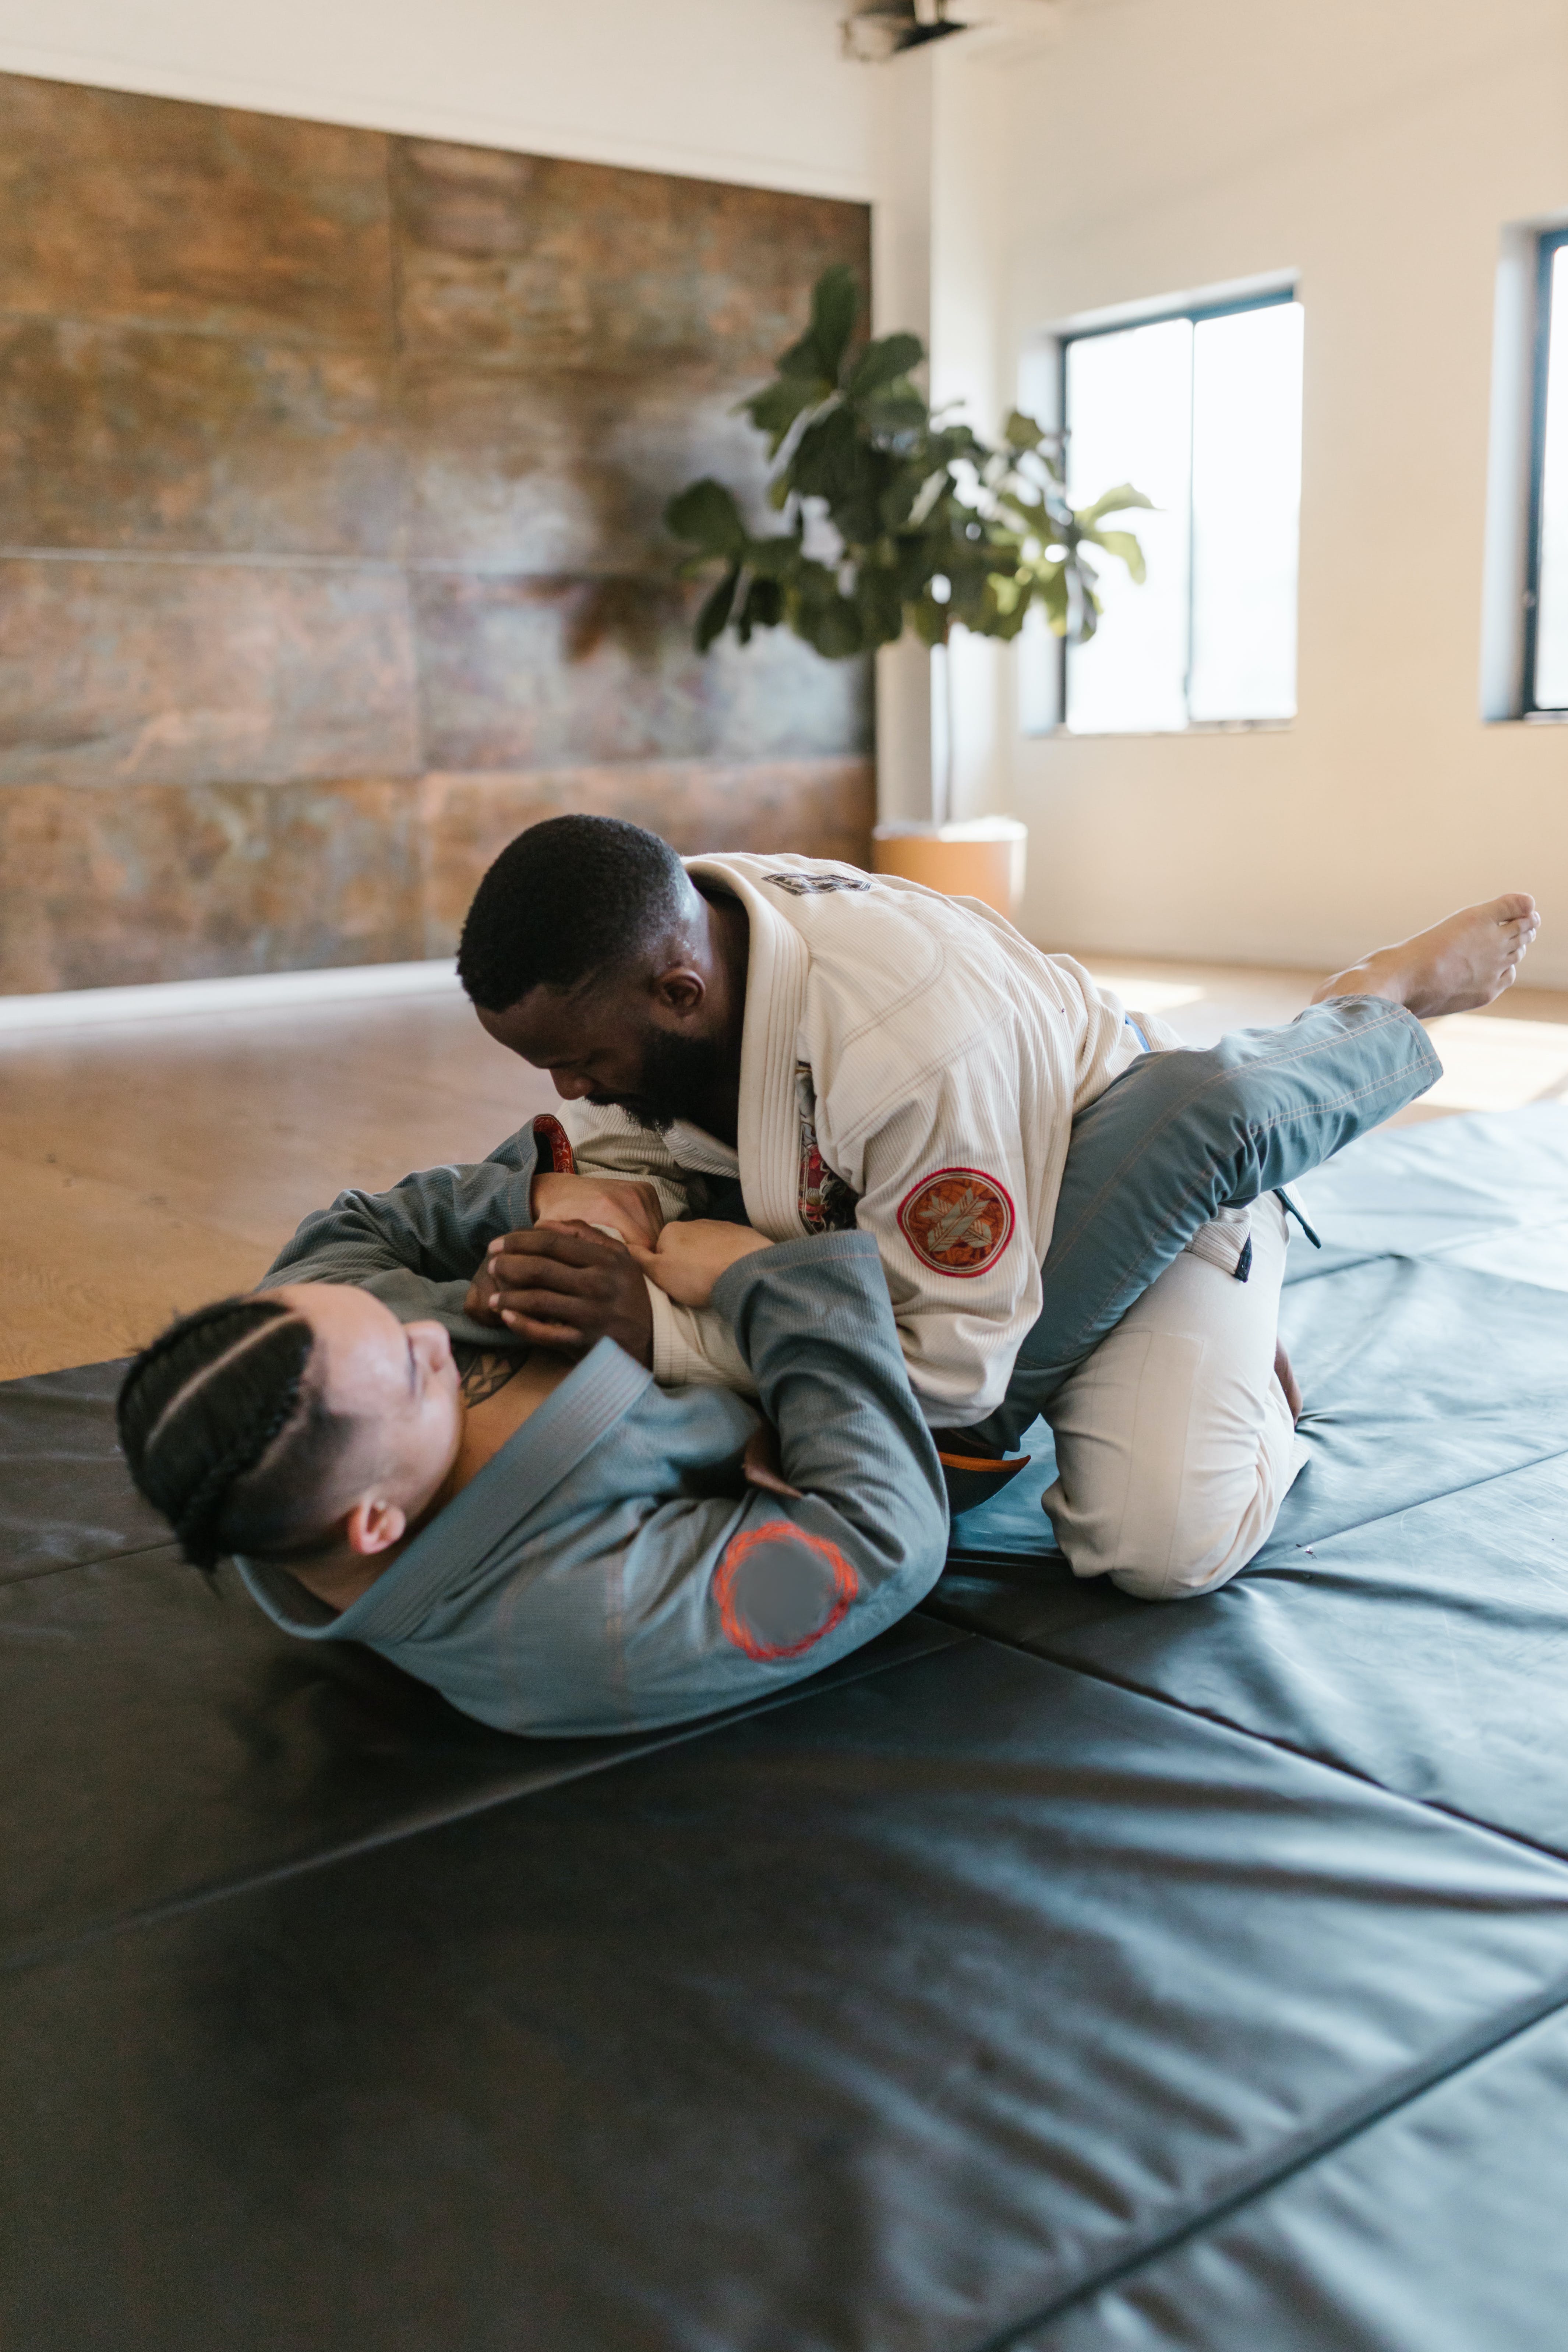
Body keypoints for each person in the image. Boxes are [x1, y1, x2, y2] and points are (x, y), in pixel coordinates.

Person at [452, 816, 1539, 1599]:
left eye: (582, 1059)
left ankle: (1366, 1009)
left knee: (1152, 1544)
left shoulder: (903, 1045)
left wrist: (679, 1323)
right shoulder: (684, 935)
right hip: (944, 1187)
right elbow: (613, 1164)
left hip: (1122, 1185)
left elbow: (954, 1373)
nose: (569, 1089)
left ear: (679, 993)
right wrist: (587, 1215)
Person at [115, 1219, 949, 1740]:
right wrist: (770, 1283)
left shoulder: (311, 1359)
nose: (429, 1337)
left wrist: (549, 1203)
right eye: (412, 1370)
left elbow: (357, 1229)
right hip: (891, 1366)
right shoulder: (586, 1622)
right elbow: (882, 1538)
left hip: (684, 1233)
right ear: (374, 1525)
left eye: (401, 1323)